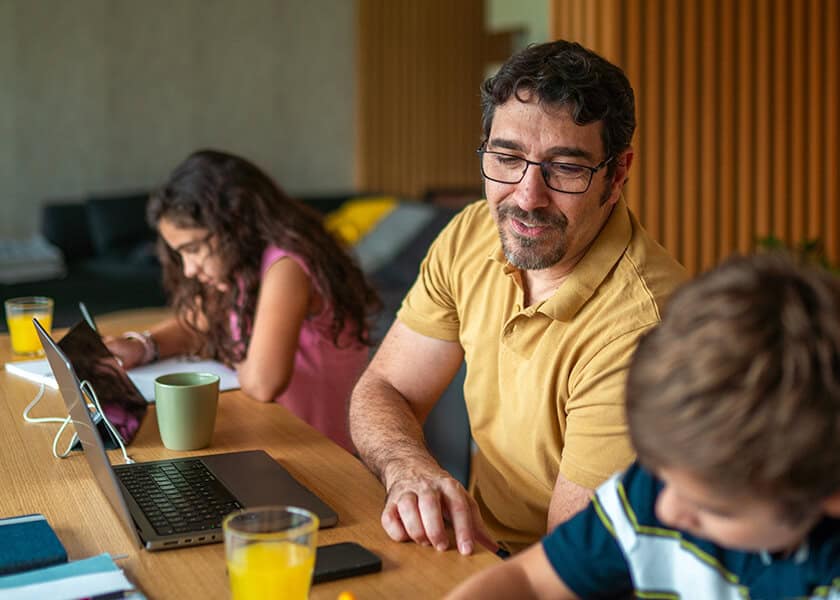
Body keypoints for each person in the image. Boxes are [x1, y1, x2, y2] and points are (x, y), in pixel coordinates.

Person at [348, 40, 687, 556]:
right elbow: (387, 385)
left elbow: (572, 566)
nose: (527, 197)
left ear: (616, 175)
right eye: (507, 158)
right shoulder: (471, 234)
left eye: (565, 168)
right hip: (484, 554)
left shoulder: (646, 328)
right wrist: (409, 469)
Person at [447, 253, 840, 599]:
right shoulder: (660, 484)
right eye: (660, 474)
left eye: (709, 508)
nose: (667, 509)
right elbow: (529, 582)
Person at [105, 149, 380, 452]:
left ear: (234, 225)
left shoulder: (287, 265)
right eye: (180, 253)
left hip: (326, 458)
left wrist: (230, 346)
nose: (189, 268)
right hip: (276, 436)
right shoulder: (246, 263)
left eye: (193, 248)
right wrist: (141, 346)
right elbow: (198, 323)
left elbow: (262, 384)